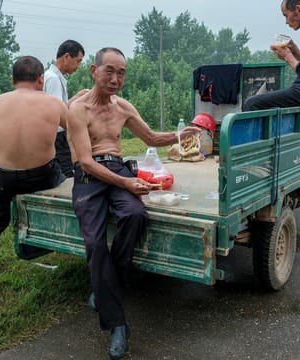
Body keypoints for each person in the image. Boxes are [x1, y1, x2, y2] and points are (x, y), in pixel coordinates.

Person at [67, 47, 201, 359]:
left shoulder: (123, 107)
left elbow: (151, 138)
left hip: (115, 168)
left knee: (135, 214)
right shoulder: (78, 109)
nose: (115, 79)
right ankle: (118, 326)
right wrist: (127, 182)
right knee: (95, 243)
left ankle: (105, 287)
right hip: (89, 178)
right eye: (109, 71)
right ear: (94, 71)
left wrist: (181, 135)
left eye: (121, 73)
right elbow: (85, 162)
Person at [0, 56, 67, 280]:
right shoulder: (53, 103)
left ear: (13, 79)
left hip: (5, 177)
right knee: (66, 182)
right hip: (44, 175)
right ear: (41, 80)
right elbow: (75, 133)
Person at [44, 39, 86, 178]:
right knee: (67, 175)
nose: (78, 66)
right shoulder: (53, 79)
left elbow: (59, 106)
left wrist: (76, 98)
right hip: (57, 137)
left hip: (56, 136)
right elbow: (56, 113)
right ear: (67, 57)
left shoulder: (53, 76)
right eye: (78, 61)